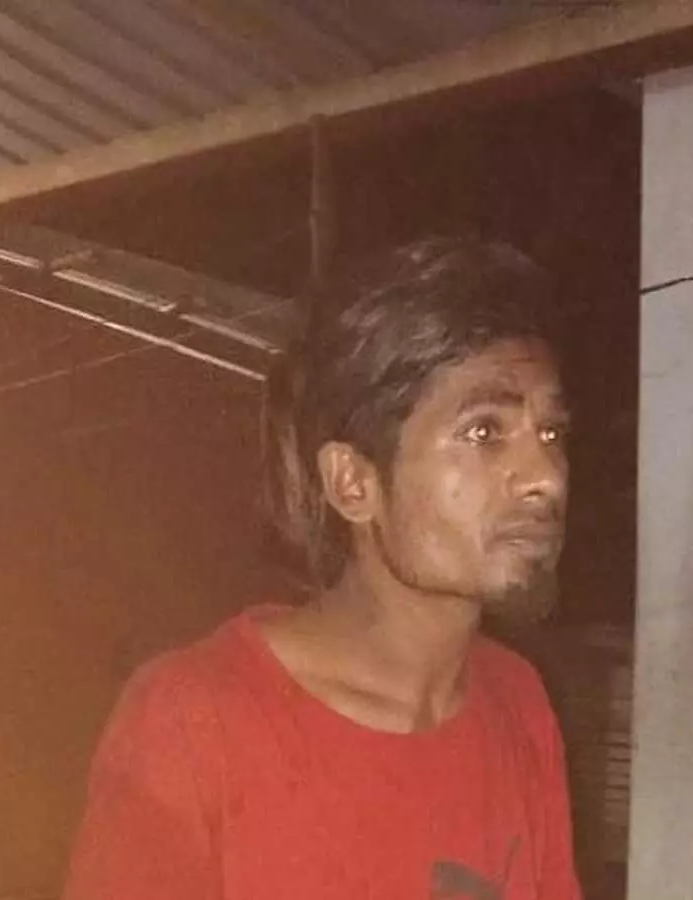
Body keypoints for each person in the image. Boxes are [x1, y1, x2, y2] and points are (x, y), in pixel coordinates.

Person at [63, 237, 584, 900]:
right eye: (484, 432)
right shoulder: (193, 723)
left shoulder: (517, 702)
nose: (546, 477)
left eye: (551, 433)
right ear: (353, 482)